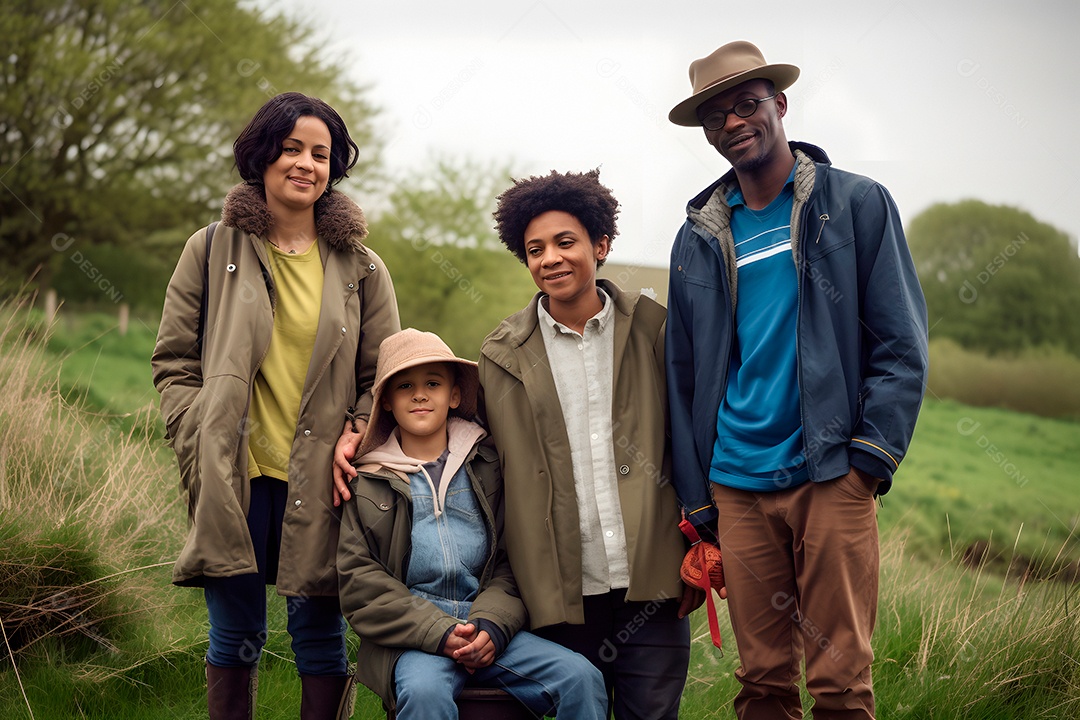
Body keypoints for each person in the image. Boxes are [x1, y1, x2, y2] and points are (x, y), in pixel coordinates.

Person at [665, 41, 929, 719]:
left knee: (841, 685)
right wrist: (699, 505)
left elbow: (901, 344)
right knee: (763, 685)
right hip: (738, 486)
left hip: (831, 476)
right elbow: (684, 373)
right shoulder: (697, 235)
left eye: (746, 105)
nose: (733, 123)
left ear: (779, 105)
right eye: (715, 116)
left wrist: (867, 462)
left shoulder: (855, 205)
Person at [152, 91, 400, 719]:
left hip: (322, 476)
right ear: (262, 156)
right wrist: (195, 429)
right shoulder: (210, 248)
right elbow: (173, 361)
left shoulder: (363, 269)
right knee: (234, 636)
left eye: (321, 154)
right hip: (234, 469)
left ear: (334, 168)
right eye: (291, 149)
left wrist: (357, 434)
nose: (305, 164)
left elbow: (383, 377)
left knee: (320, 637)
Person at [478, 169, 695, 719]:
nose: (550, 258)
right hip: (557, 593)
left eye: (565, 242)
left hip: (652, 582)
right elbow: (487, 465)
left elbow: (693, 443)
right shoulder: (501, 354)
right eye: (535, 249)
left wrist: (702, 541)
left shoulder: (657, 330)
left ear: (600, 245)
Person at [336, 328, 607, 719]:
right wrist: (439, 632)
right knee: (424, 693)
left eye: (433, 383)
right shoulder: (367, 482)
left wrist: (492, 625)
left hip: (486, 622)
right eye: (405, 386)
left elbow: (513, 559)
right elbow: (361, 583)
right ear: (388, 404)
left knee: (581, 678)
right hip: (414, 637)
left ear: (456, 395)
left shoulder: (489, 466)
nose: (420, 394)